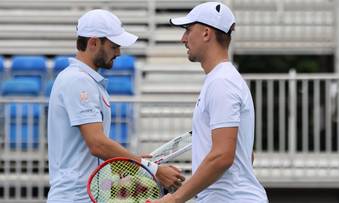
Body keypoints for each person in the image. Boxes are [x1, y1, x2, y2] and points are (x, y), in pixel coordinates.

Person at [47, 9, 184, 203]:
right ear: (93, 43)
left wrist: (130, 162)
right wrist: (151, 168)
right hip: (75, 198)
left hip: (85, 196)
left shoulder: (84, 80)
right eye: (113, 46)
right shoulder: (78, 80)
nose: (118, 52)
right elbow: (97, 144)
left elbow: (94, 151)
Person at [152, 2, 268, 203]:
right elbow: (246, 156)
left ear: (206, 33)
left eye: (188, 30)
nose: (183, 39)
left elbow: (223, 156)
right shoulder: (223, 79)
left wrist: (173, 199)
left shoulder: (222, 82)